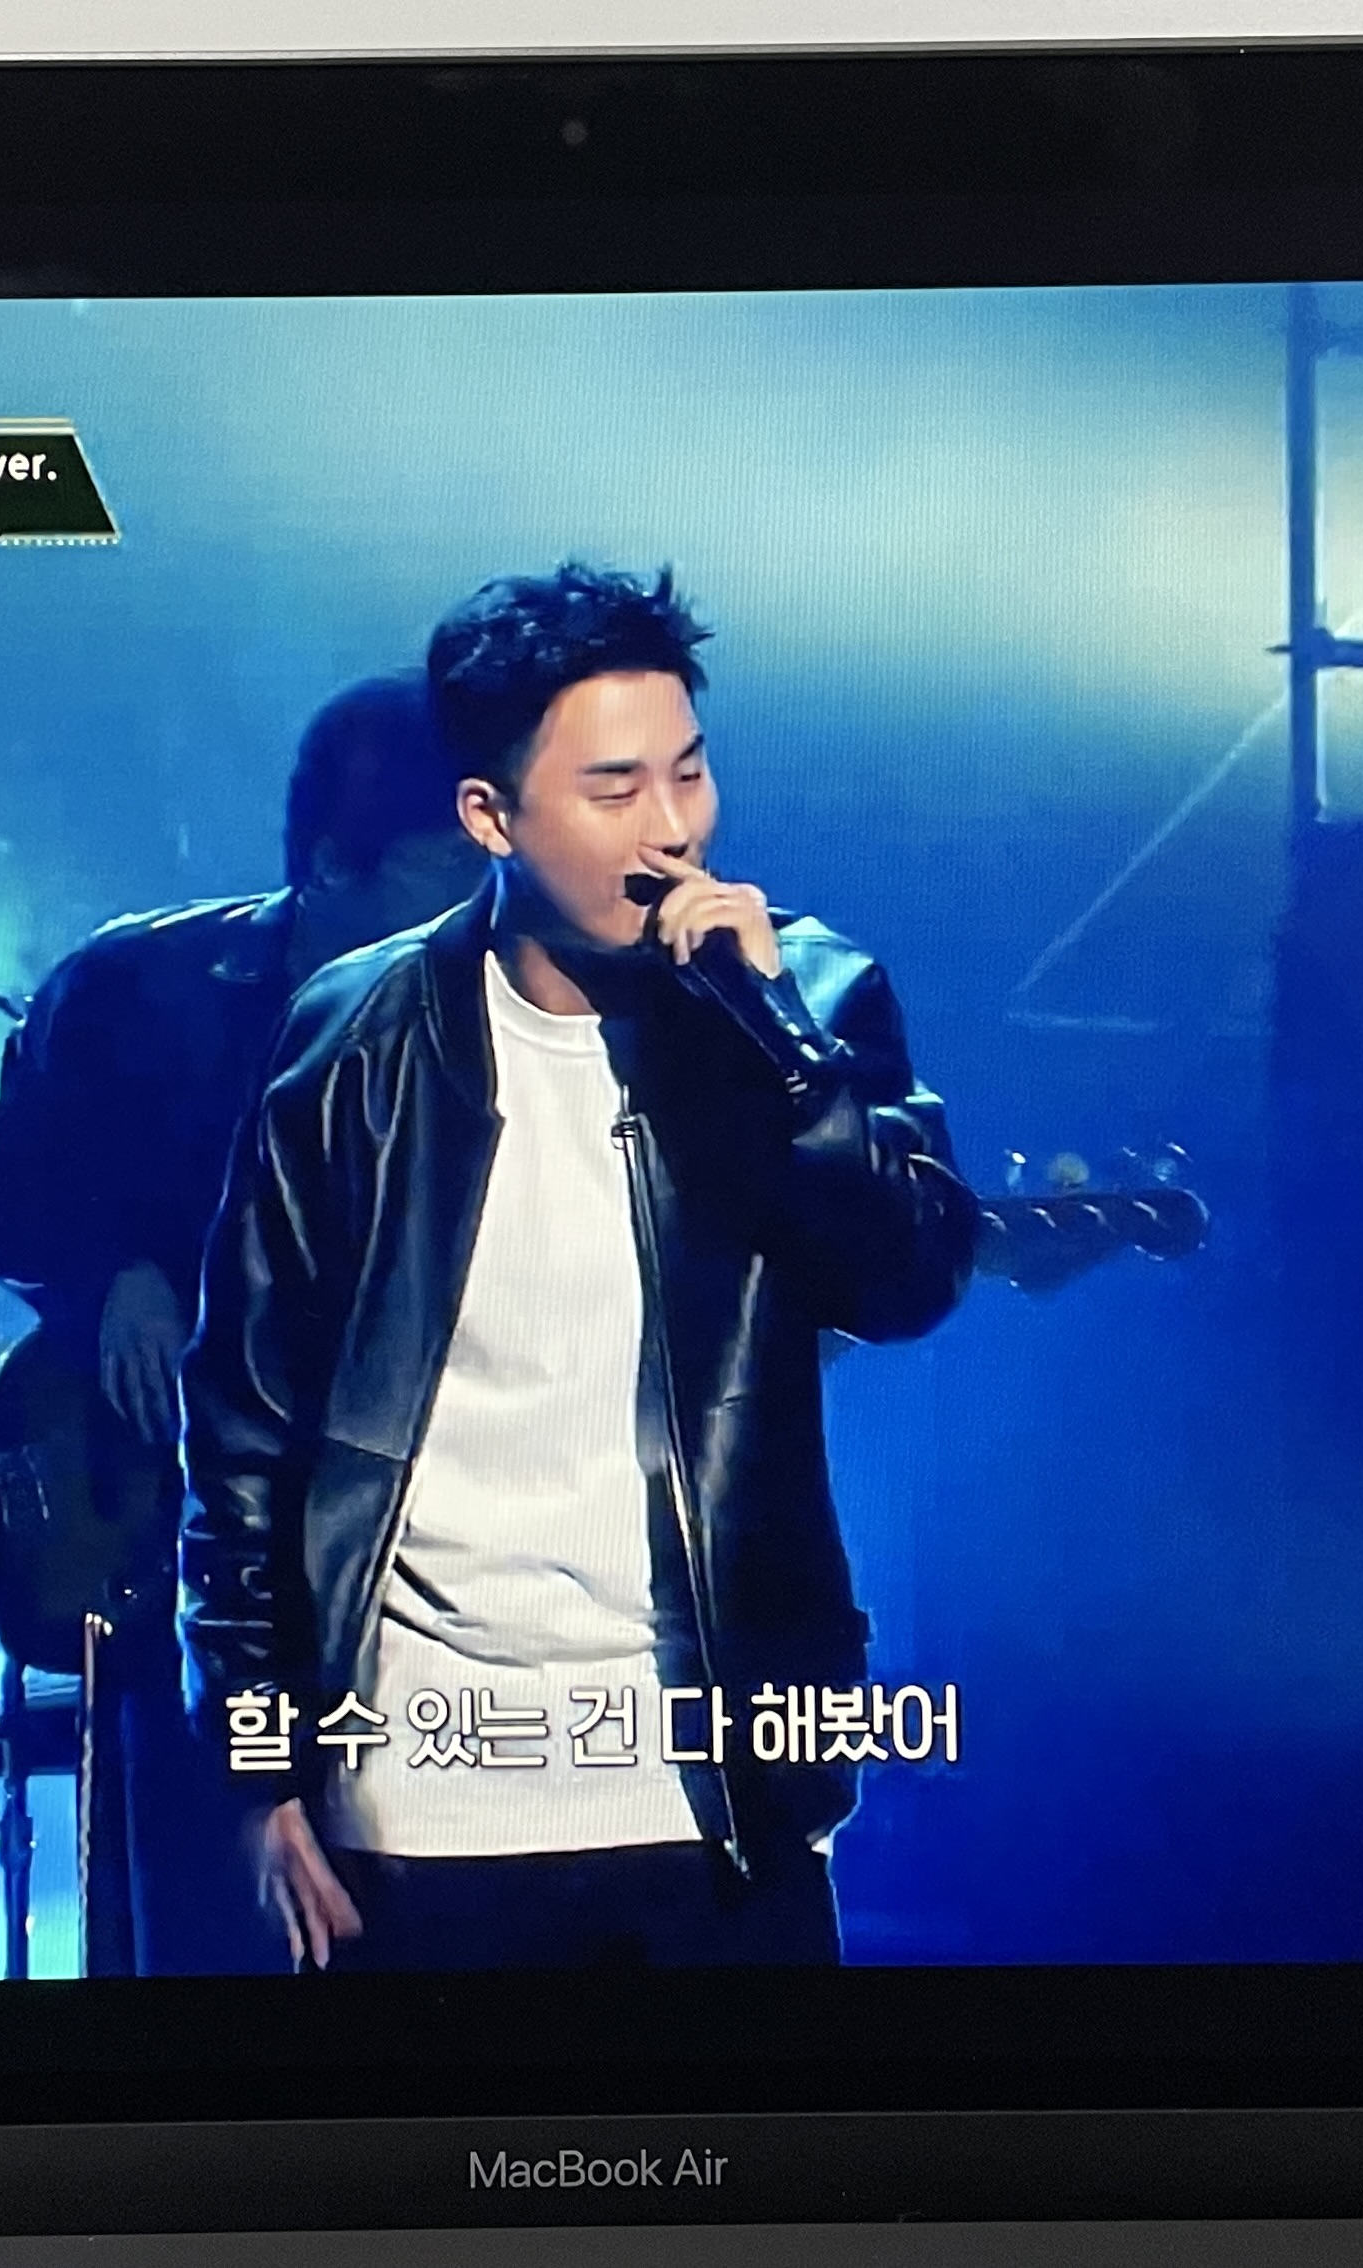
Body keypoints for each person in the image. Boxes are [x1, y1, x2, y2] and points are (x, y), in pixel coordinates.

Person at [183, 563, 977, 1973]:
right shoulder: (353, 1044)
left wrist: (776, 1050)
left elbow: (906, 1280)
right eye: (616, 790)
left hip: (715, 1791)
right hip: (419, 1798)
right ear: (488, 817)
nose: (673, 829)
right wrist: (257, 1772)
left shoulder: (808, 999)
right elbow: (248, 1425)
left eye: (690, 771)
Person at [0, 674, 484, 1976]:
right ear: (332, 864)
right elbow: (5, 1187)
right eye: (439, 874)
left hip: (407, 1557)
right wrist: (109, 1278)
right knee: (200, 1916)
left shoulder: (499, 1024)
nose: (475, 905)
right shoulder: (131, 989)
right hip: (170, 1551)